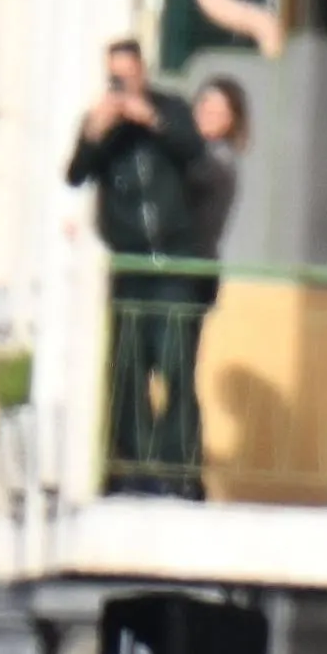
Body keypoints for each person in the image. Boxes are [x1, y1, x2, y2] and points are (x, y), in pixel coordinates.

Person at [66, 42, 223, 495]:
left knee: (177, 365)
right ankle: (129, 470)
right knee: (129, 369)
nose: (121, 86)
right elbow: (75, 174)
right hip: (130, 264)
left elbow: (193, 151)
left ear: (142, 73)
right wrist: (95, 133)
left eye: (128, 77)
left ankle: (180, 473)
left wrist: (148, 117)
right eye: (114, 78)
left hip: (175, 262)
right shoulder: (101, 125)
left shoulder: (170, 109)